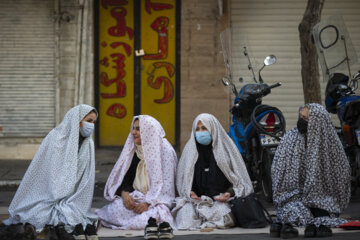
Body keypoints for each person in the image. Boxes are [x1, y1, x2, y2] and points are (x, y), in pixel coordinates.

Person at [3, 104, 99, 240]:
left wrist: (71, 197)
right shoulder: (56, 137)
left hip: (72, 196)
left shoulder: (88, 143)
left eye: (94, 122)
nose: (92, 125)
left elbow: (86, 177)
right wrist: (60, 193)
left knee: (74, 214)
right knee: (39, 216)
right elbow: (50, 172)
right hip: (48, 192)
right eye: (89, 121)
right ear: (76, 120)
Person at [270, 103, 351, 238]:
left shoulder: (330, 143)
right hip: (294, 195)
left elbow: (342, 173)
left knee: (322, 215)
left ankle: (316, 223)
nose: (301, 121)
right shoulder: (290, 139)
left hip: (322, 198)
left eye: (306, 119)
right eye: (301, 117)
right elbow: (279, 171)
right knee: (296, 212)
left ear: (318, 122)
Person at [96, 115, 177, 238]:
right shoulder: (135, 149)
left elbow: (167, 187)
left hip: (157, 202)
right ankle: (141, 222)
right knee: (115, 209)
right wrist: (125, 194)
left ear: (149, 130)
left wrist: (148, 203)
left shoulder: (165, 151)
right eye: (133, 128)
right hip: (137, 197)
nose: (133, 132)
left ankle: (147, 222)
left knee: (157, 215)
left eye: (138, 129)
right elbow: (127, 177)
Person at [172, 113, 253, 230]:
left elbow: (238, 180)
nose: (200, 132)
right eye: (197, 129)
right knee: (185, 216)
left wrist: (229, 193)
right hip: (196, 202)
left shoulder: (226, 150)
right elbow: (184, 181)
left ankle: (207, 220)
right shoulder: (190, 152)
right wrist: (190, 192)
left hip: (221, 201)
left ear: (213, 129)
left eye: (204, 128)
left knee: (224, 216)